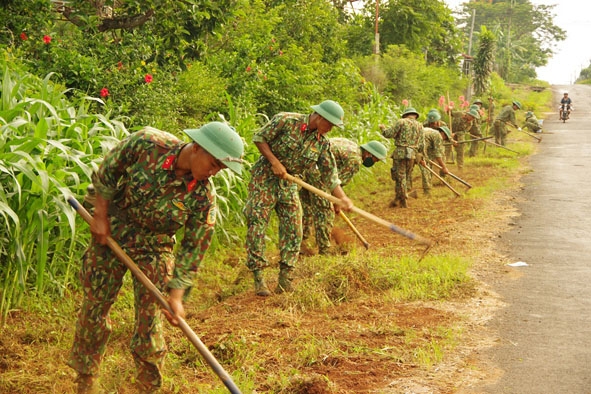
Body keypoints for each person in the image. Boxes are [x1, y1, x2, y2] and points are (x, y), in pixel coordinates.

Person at [68, 122, 245, 393]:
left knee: (150, 318)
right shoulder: (148, 143)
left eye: (221, 168)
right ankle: (86, 379)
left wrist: (176, 295)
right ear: (197, 147)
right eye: (214, 163)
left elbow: (193, 248)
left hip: (156, 248)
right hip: (114, 231)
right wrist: (101, 215)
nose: (214, 172)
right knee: (95, 306)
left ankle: (147, 384)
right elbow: (108, 171)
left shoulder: (203, 197)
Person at [244, 100, 354, 297]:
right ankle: (259, 278)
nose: (330, 129)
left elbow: (330, 175)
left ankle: (285, 280)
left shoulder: (321, 143)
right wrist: (274, 162)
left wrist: (342, 198)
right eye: (329, 124)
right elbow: (259, 138)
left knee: (294, 227)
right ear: (319, 117)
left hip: (289, 183)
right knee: (257, 223)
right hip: (265, 178)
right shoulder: (286, 121)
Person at [300, 138, 387, 255]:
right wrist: (337, 201)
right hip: (317, 172)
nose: (375, 162)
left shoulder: (351, 145)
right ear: (368, 153)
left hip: (306, 166)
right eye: (375, 159)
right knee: (325, 211)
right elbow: (333, 183)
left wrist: (337, 202)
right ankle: (324, 251)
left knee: (307, 206)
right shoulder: (355, 160)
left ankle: (300, 242)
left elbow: (335, 180)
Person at [380, 107, 426, 208]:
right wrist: (422, 158)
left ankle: (404, 199)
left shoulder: (401, 122)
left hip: (400, 153)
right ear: (415, 115)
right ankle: (398, 199)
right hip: (412, 154)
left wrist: (383, 128)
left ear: (405, 115)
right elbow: (422, 144)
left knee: (400, 177)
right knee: (406, 176)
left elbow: (389, 134)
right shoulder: (420, 126)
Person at [418, 126, 452, 196]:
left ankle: (408, 187)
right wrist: (444, 167)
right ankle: (427, 191)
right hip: (419, 147)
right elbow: (437, 155)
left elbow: (431, 152)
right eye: (445, 138)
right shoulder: (438, 135)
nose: (444, 140)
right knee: (425, 168)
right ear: (443, 133)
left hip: (412, 145)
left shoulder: (431, 131)